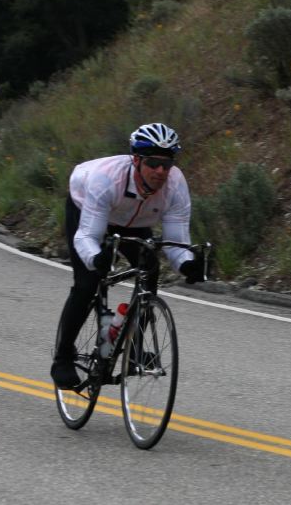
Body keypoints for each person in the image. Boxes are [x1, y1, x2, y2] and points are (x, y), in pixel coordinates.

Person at [50, 122, 207, 389]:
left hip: (132, 218)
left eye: (166, 165)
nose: (160, 171)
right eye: (153, 163)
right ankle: (63, 358)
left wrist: (188, 265)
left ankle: (133, 351)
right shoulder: (106, 179)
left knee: (150, 269)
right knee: (87, 282)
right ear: (136, 160)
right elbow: (86, 237)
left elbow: (177, 241)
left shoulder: (176, 184)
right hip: (87, 209)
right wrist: (97, 259)